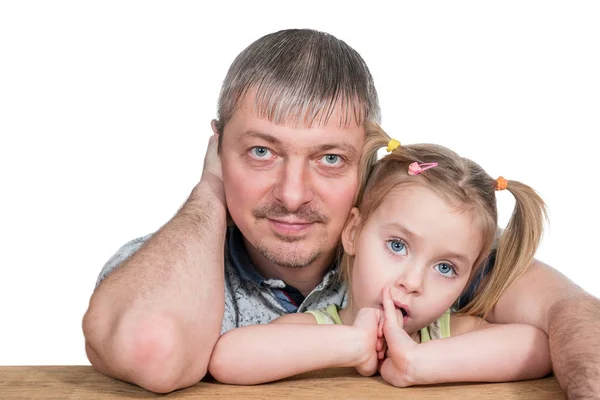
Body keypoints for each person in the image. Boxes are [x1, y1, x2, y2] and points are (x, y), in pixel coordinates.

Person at [82, 29, 600, 396]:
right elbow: (150, 348)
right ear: (218, 150)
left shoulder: (428, 241)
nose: (291, 194)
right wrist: (209, 193)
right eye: (261, 151)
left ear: (366, 165)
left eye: (330, 159)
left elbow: (568, 318)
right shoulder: (165, 264)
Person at [208, 124, 552, 386]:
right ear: (354, 233)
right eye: (398, 246)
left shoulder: (446, 334)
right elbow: (227, 358)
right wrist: (353, 345)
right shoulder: (319, 326)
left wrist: (417, 363)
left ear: (468, 278)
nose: (413, 282)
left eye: (445, 267)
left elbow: (537, 347)